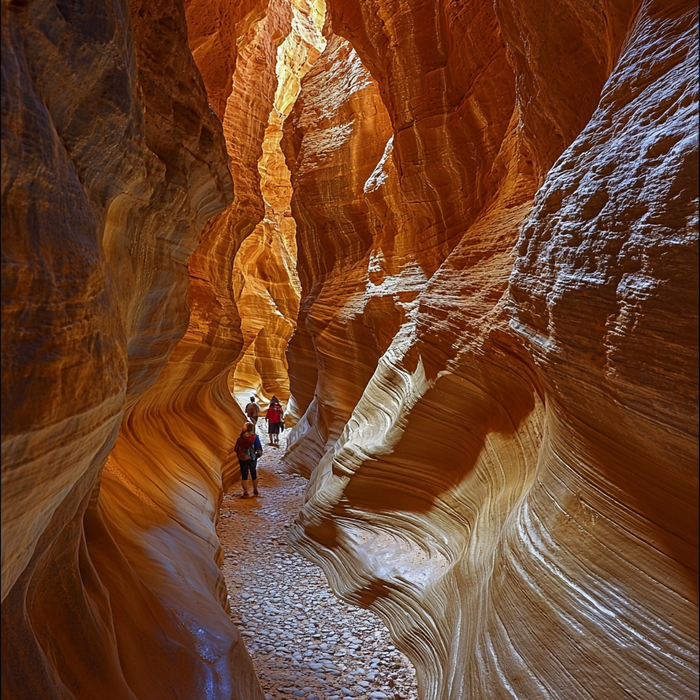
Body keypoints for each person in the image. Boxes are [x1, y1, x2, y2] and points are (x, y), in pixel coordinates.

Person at [234, 422, 263, 497]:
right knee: (253, 472)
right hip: (252, 458)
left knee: (244, 474)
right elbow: (259, 448)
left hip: (242, 458)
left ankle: (245, 491)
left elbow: (236, 448)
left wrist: (241, 455)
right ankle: (255, 489)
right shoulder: (255, 437)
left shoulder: (241, 438)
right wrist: (257, 455)